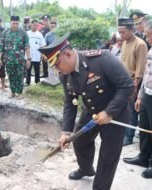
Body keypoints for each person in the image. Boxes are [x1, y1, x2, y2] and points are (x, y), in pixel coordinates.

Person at [38, 33, 134, 190]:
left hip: (116, 113)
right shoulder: (65, 74)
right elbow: (70, 103)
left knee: (108, 156)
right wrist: (66, 131)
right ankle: (86, 169)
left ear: (68, 54)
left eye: (57, 64)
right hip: (91, 112)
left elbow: (127, 86)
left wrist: (109, 112)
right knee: (80, 141)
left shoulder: (103, 59)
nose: (57, 69)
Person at [123, 20, 152, 179]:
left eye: (149, 36)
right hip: (147, 95)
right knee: (144, 128)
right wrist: (140, 96)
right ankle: (143, 157)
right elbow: (147, 76)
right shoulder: (151, 51)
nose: (147, 39)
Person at [118, 18, 148, 146]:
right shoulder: (124, 43)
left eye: (123, 32)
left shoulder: (140, 44)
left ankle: (129, 137)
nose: (121, 35)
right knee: (124, 109)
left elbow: (141, 68)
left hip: (135, 82)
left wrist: (135, 87)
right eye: (119, 32)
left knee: (132, 111)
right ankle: (124, 133)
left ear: (131, 30)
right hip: (123, 82)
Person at [0, 16, 30, 99]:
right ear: (10, 22)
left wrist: (28, 59)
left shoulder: (23, 33)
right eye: (13, 23)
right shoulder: (5, 32)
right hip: (8, 59)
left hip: (20, 59)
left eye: (17, 23)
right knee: (10, 75)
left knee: (20, 76)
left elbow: (27, 46)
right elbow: (1, 46)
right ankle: (12, 92)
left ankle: (19, 92)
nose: (15, 25)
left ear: (19, 23)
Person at [26, 20, 46, 85]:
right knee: (28, 69)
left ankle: (37, 82)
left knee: (37, 70)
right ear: (31, 25)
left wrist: (42, 54)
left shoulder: (39, 34)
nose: (35, 26)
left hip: (37, 55)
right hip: (28, 55)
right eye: (34, 25)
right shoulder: (27, 33)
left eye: (36, 25)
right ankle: (27, 82)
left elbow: (42, 45)